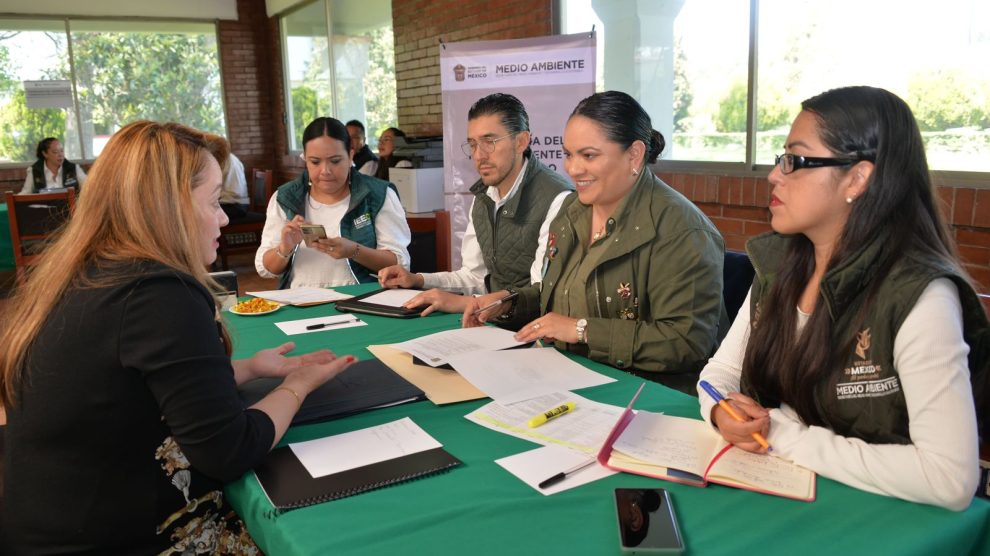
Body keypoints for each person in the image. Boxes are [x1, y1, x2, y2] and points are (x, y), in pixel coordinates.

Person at [0, 121, 357, 553]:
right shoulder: (158, 293)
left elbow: (126, 387)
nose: (224, 217)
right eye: (213, 201)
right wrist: (297, 386)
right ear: (166, 207)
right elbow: (230, 450)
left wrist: (245, 368)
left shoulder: (85, 273)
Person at [697, 86, 987, 511]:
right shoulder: (779, 265)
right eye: (781, 157)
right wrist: (723, 412)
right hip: (790, 489)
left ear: (857, 178)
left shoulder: (920, 296)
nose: (774, 175)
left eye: (794, 160)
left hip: (879, 517)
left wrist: (780, 433)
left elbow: (949, 477)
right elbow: (718, 374)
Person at [465, 91, 726, 388]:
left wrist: (581, 330)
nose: (572, 168)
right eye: (568, 154)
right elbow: (562, 298)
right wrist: (507, 302)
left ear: (634, 155)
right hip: (570, 379)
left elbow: (686, 343)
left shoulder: (682, 230)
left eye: (588, 155)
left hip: (648, 396)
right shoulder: (571, 211)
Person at [378, 93, 572, 317]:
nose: (479, 155)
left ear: (521, 142)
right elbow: (475, 278)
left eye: (489, 142)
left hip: (535, 334)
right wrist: (417, 279)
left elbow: (540, 295)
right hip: (491, 323)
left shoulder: (557, 198)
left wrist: (462, 304)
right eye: (472, 144)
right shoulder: (484, 196)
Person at [256, 117, 411, 288]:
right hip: (300, 303)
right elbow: (267, 269)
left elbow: (399, 263)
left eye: (335, 161)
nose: (325, 171)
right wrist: (285, 248)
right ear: (305, 158)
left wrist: (354, 251)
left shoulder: (378, 194)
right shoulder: (285, 197)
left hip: (362, 300)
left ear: (351, 155)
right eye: (315, 162)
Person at [21, 137, 87, 193]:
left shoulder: (73, 168)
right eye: (55, 152)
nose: (60, 155)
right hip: (42, 207)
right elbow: (25, 193)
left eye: (61, 151)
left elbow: (88, 187)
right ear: (45, 154)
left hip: (68, 207)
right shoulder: (35, 170)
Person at [220, 149, 249, 219]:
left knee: (200, 214)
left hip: (236, 206)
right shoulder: (223, 159)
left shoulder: (230, 161)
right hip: (229, 203)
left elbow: (235, 192)